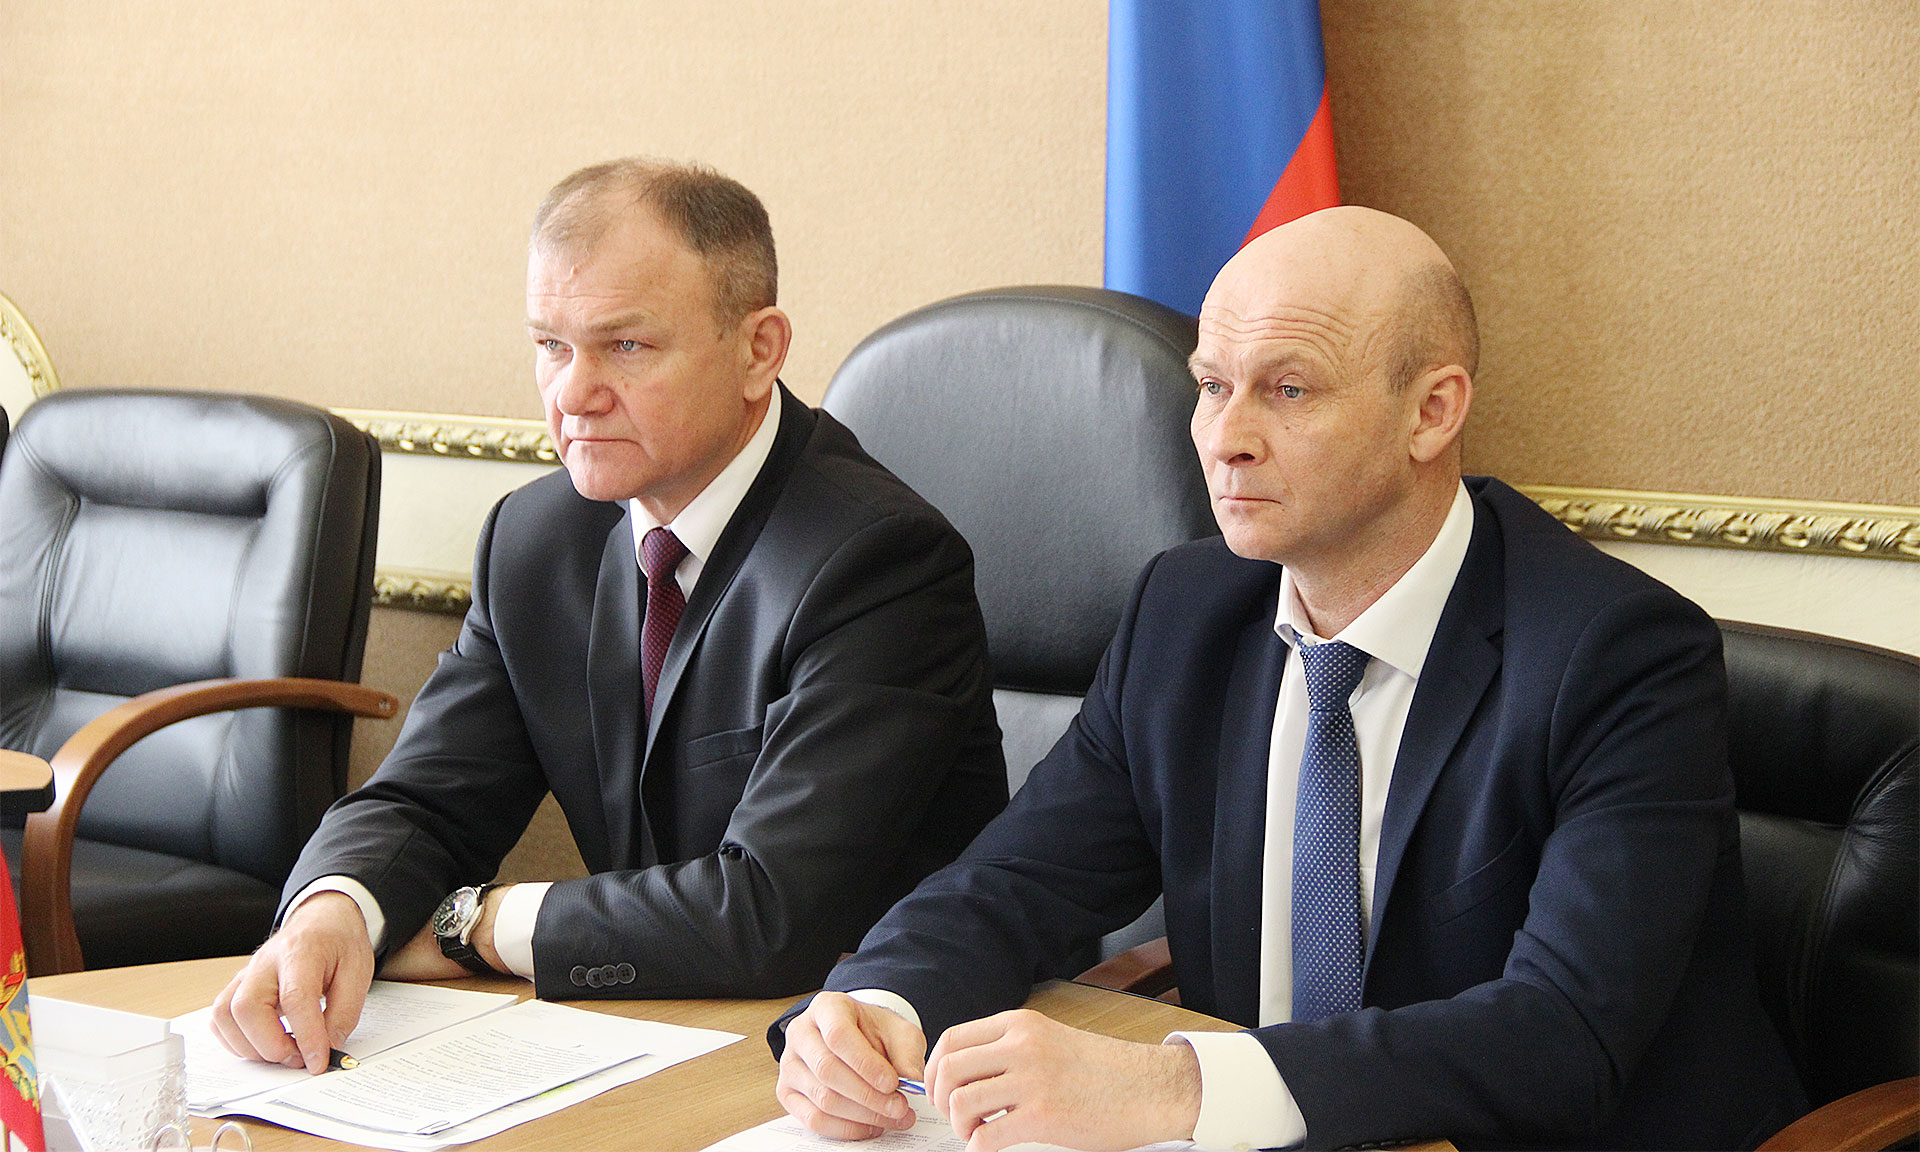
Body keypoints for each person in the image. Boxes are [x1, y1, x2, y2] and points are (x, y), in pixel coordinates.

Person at [772, 207, 1805, 1151]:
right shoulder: (1187, 611)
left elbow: (1562, 1035)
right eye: (1212, 386)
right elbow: (1017, 879)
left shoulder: (1619, 655)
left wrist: (1175, 1086)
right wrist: (880, 1003)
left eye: (1289, 389)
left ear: (1432, 412)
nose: (1225, 440)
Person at [210, 158, 1006, 1075]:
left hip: (869, 1061)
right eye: (551, 345)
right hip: (644, 1027)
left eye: (625, 346)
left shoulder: (880, 560)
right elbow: (425, 800)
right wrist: (334, 910)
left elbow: (767, 914)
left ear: (759, 350)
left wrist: (477, 922)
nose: (571, 394)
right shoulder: (535, 538)